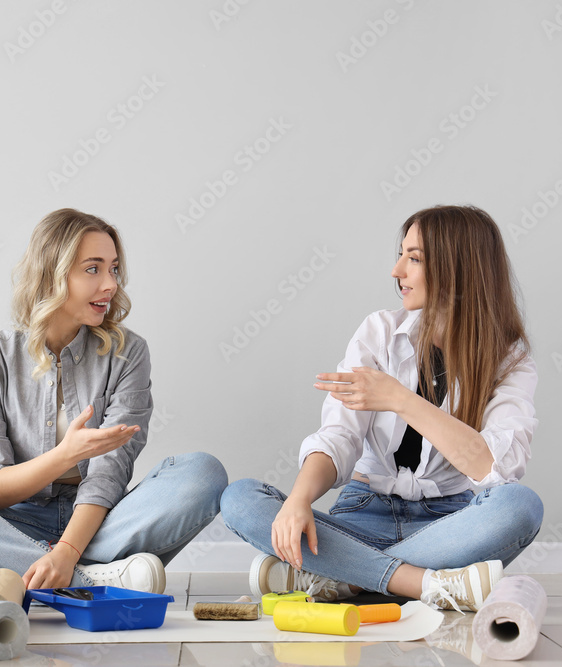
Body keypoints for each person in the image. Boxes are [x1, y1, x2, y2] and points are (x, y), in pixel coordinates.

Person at [0, 208, 227, 594]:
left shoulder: (128, 353)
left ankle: (8, 575)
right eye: (93, 269)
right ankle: (91, 579)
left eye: (113, 269)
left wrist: (66, 550)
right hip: (11, 525)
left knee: (203, 473)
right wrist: (64, 456)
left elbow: (108, 471)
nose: (110, 284)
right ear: (52, 274)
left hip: (100, 522)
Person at [221, 205, 543, 612]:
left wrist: (399, 399)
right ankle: (426, 583)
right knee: (240, 499)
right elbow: (339, 436)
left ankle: (344, 577)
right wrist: (300, 499)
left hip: (445, 524)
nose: (396, 271)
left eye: (414, 259)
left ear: (458, 270)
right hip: (361, 512)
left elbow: (497, 466)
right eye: (401, 255)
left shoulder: (509, 359)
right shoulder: (378, 332)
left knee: (521, 506)